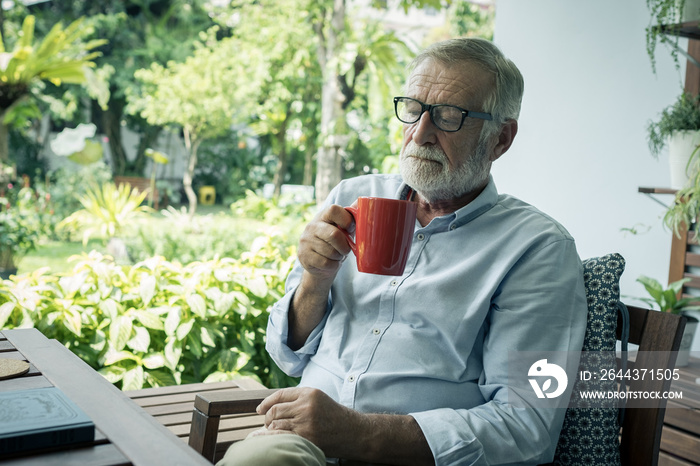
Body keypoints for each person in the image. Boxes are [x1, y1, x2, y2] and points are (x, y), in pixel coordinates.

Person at [217, 37, 587, 466]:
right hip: (299, 446)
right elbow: (288, 354)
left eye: (449, 117)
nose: (420, 133)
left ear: (499, 139)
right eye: (413, 109)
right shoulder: (353, 197)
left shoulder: (536, 248)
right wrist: (314, 281)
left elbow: (527, 427)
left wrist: (357, 433)